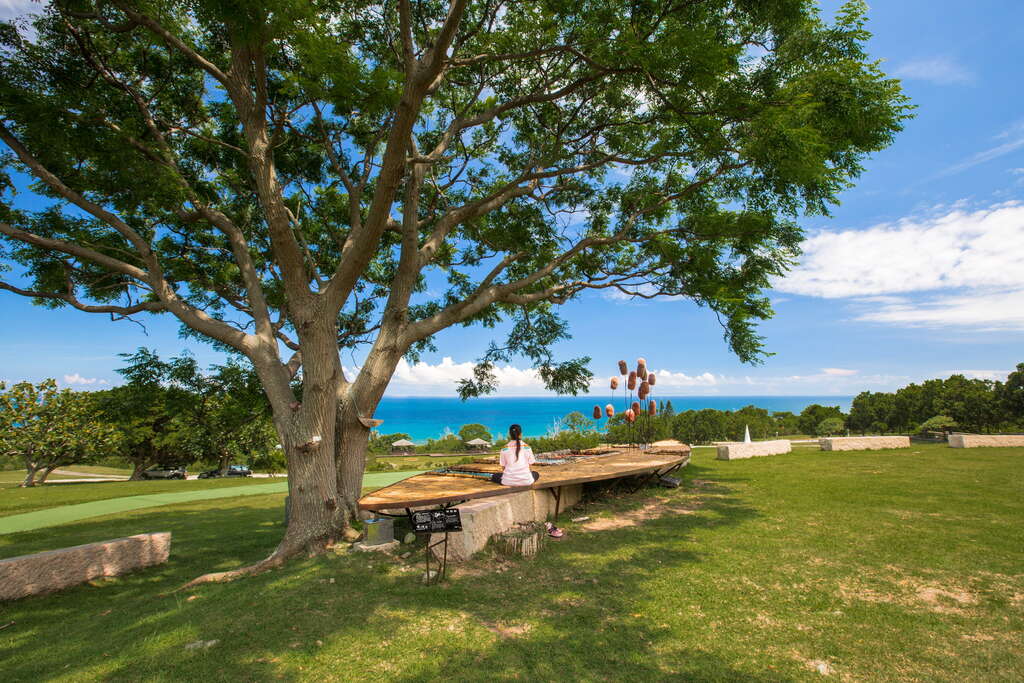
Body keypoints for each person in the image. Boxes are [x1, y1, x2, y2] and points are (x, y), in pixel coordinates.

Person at [490, 424, 564, 538]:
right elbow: (530, 466)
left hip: (508, 480)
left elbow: (503, 468)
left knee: (495, 476)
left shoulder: (504, 448)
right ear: (521, 434)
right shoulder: (527, 447)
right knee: (536, 474)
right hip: (526, 480)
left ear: (510, 434)